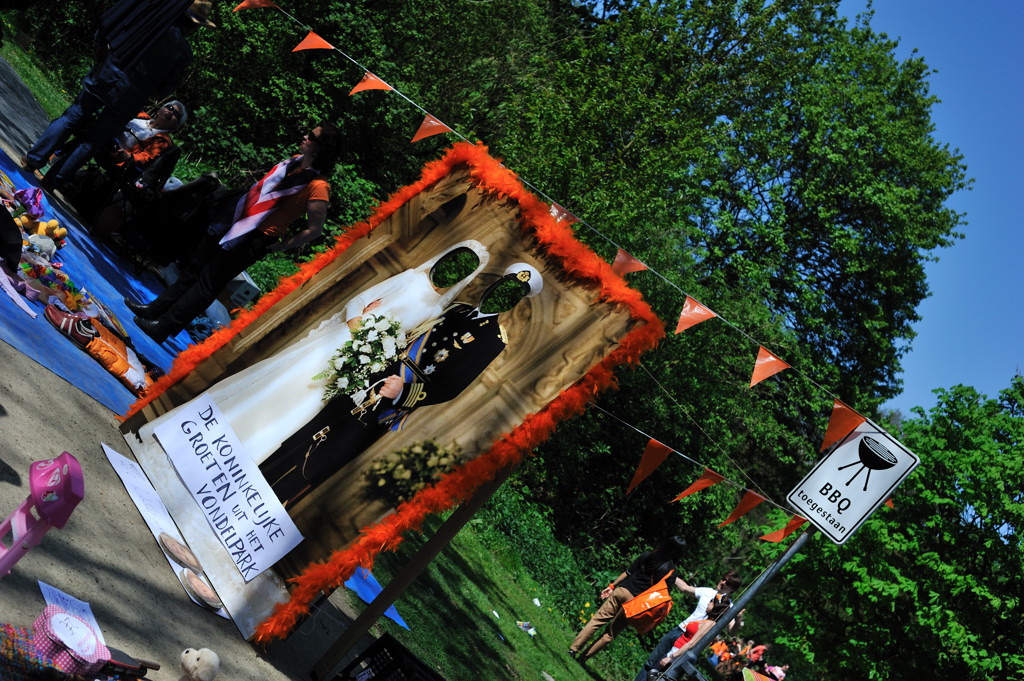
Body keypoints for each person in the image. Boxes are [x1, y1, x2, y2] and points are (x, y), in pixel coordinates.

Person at [150, 240, 490, 469]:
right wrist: (361, 332)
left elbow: (403, 340)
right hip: (341, 342)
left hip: (357, 365)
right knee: (279, 385)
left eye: (464, 270)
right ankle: (198, 433)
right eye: (455, 261)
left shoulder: (437, 310)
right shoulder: (410, 279)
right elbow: (358, 302)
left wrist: (373, 354)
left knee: (302, 406)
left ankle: (234, 458)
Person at [258, 262, 543, 508]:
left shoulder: (492, 340)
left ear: (513, 304)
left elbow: (453, 385)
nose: (499, 294)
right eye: (500, 287)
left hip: (391, 399)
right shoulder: (458, 309)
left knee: (329, 453)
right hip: (373, 376)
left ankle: (273, 505)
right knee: (313, 428)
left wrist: (404, 393)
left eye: (510, 295)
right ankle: (257, 477)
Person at [126, 122, 343, 343]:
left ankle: (163, 326)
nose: (305, 136)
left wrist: (282, 245)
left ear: (322, 148)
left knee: (207, 283)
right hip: (235, 219)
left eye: (312, 137)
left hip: (257, 237)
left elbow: (315, 229)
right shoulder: (293, 161)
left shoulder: (319, 186)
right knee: (193, 268)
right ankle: (155, 309)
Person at [21, 1, 210, 188]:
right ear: (193, 26)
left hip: (106, 76)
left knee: (71, 118)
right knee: (93, 141)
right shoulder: (183, 52)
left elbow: (115, 27)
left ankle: (33, 160)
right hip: (130, 97)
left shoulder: (149, 20)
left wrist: (103, 48)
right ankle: (54, 180)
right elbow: (167, 88)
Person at [569, 536, 690, 663]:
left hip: (622, 590)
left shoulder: (647, 555)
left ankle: (573, 649)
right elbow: (661, 598)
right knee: (610, 633)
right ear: (679, 554)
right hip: (634, 605)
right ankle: (583, 658)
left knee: (597, 621)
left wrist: (612, 586)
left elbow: (628, 572)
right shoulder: (671, 573)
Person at [633, 570, 744, 681]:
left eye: (727, 583)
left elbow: (732, 632)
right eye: (723, 579)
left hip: (690, 642)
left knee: (665, 673)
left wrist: (738, 620)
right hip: (680, 630)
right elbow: (685, 588)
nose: (723, 582)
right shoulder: (708, 591)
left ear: (732, 589)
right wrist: (670, 572)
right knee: (652, 661)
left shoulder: (728, 607)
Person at [657, 597, 734, 670]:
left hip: (676, 657)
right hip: (674, 651)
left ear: (716, 607)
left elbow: (692, 643)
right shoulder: (706, 620)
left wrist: (670, 657)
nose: (708, 603)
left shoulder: (710, 624)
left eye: (712, 602)